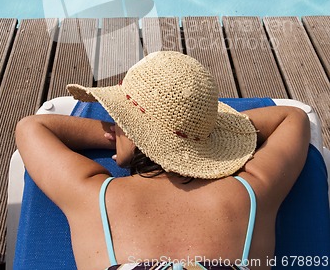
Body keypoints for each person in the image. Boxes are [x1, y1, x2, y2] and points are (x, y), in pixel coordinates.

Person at [16, 51, 310, 270]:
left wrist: (124, 133)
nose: (113, 124)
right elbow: (292, 117)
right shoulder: (251, 193)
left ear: (135, 133)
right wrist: (206, 134)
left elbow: (32, 127)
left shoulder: (93, 196)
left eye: (119, 119)